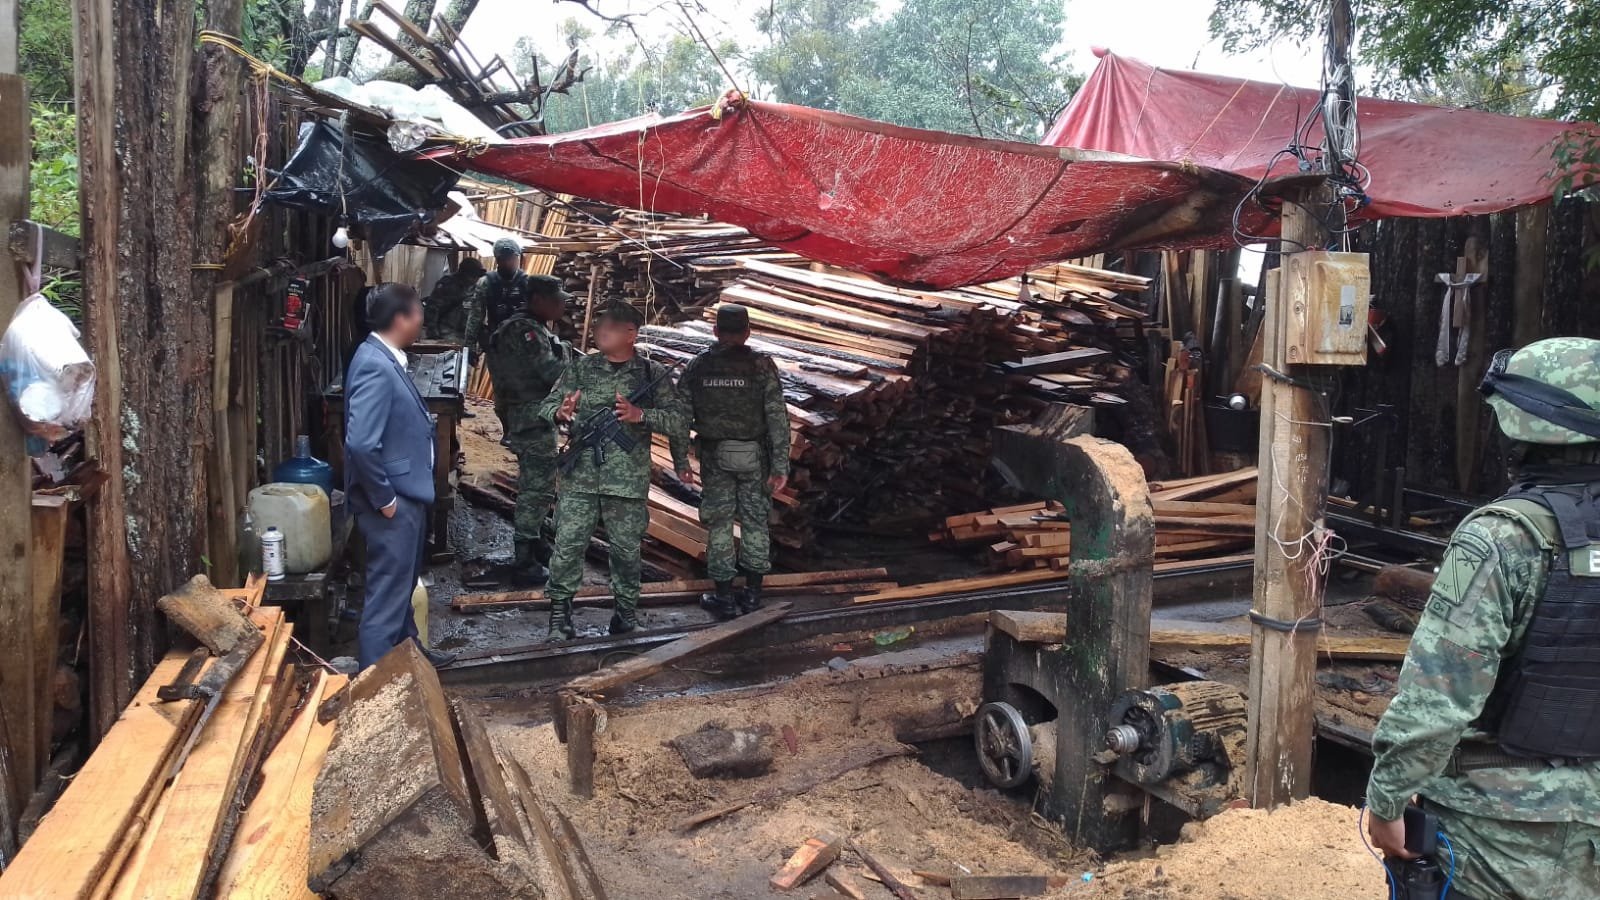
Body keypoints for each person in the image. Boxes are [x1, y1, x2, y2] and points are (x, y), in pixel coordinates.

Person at [1366, 337, 1600, 900]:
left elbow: (1439, 695)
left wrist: (1388, 800)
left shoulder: (1502, 538)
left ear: (1521, 426)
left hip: (1499, 830)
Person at [538, 303, 687, 639]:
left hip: (627, 481)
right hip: (580, 478)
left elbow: (679, 421)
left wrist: (640, 415)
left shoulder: (651, 374)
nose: (601, 330)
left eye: (611, 326)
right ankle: (559, 617)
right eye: (600, 324)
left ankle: (625, 615)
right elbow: (546, 405)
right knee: (568, 546)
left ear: (631, 334)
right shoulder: (581, 367)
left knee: (626, 552)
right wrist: (560, 412)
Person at [342, 283, 454, 669]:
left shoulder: (385, 356)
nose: (422, 319)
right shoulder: (375, 363)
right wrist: (385, 499)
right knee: (386, 599)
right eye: (418, 312)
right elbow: (360, 443)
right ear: (401, 318)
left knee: (402, 587)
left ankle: (412, 658)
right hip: (393, 500)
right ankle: (374, 684)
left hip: (408, 494)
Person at [669, 304, 790, 618]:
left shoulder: (697, 367)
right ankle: (752, 595)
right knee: (755, 522)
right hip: (755, 458)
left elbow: (680, 417)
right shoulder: (763, 367)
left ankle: (723, 596)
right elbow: (778, 418)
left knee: (720, 524)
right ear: (748, 332)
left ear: (715, 331)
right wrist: (780, 466)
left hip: (714, 458)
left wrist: (680, 459)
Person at [484, 274, 575, 586]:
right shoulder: (525, 332)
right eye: (556, 299)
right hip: (532, 419)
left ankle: (535, 544)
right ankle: (524, 560)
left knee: (541, 486)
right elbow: (553, 373)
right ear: (537, 300)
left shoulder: (525, 327)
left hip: (530, 417)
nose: (562, 304)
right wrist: (569, 352)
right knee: (535, 491)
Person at [464, 238, 528, 352]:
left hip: (523, 342)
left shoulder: (526, 282)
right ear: (497, 260)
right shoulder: (486, 283)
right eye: (503, 259)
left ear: (517, 258)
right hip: (498, 342)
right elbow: (475, 316)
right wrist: (469, 347)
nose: (508, 263)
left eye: (511, 258)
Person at [423, 256, 484, 343]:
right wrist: (433, 332)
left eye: (477, 277)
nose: (475, 279)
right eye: (472, 276)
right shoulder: (448, 284)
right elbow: (432, 308)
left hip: (465, 335)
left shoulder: (476, 288)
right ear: (464, 274)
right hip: (445, 333)